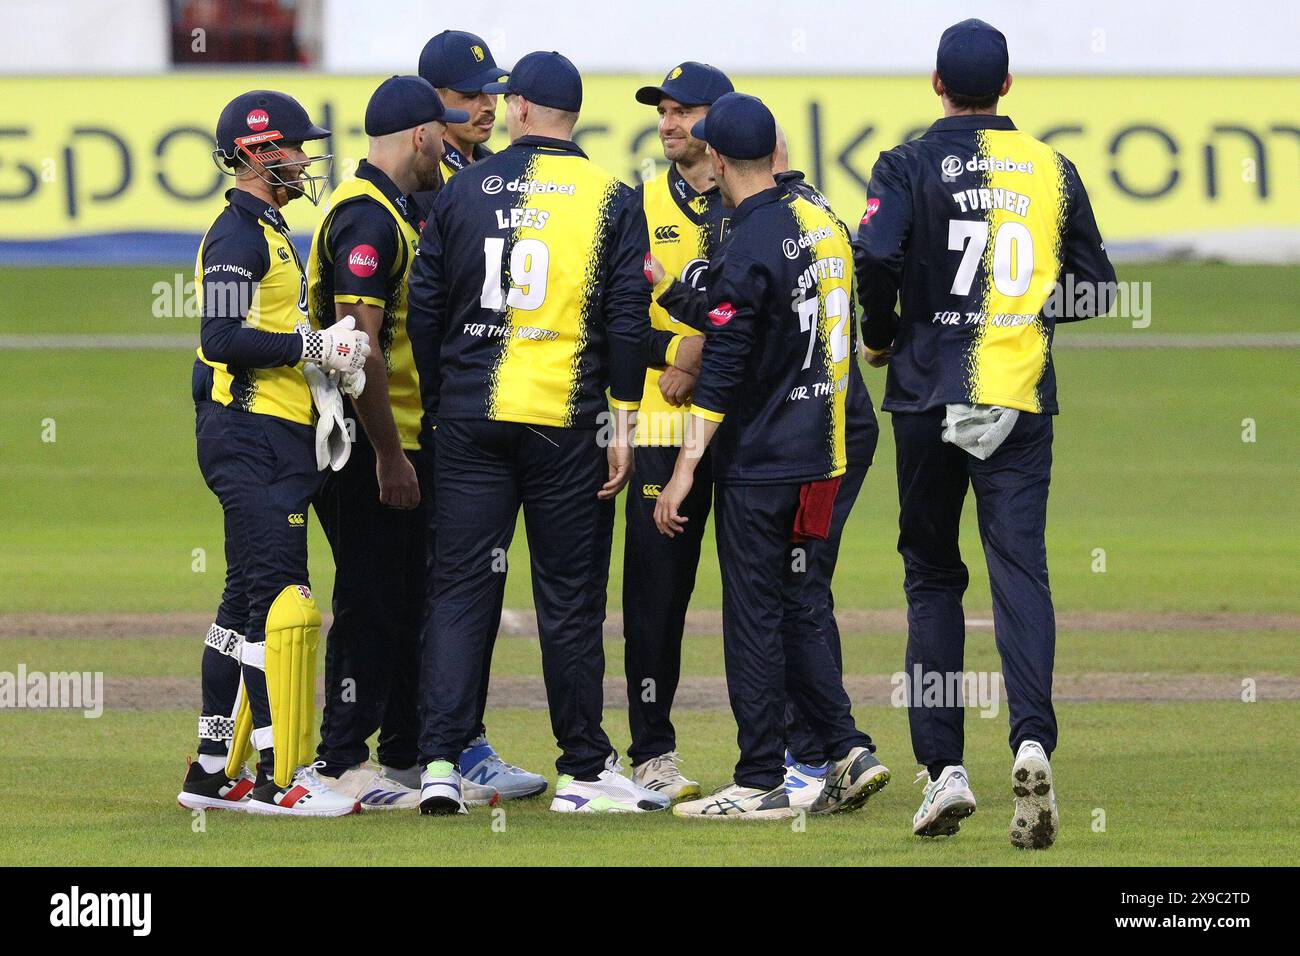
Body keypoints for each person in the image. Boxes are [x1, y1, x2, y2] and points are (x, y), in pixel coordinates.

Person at [855, 19, 1116, 848]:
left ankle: (944, 772)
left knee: (933, 577)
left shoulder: (904, 162)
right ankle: (1032, 740)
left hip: (926, 396)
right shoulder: (1052, 168)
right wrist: (1028, 317)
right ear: (1008, 87)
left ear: (936, 83)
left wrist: (882, 327)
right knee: (1020, 573)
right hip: (1019, 400)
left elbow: (875, 256)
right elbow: (1097, 290)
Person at [406, 51, 668, 815]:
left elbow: (425, 309)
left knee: (459, 588)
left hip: (469, 420)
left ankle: (440, 763)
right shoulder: (613, 197)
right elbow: (626, 319)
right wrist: (623, 423)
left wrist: (442, 392)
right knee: (570, 598)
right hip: (566, 423)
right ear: (572, 116)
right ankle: (584, 772)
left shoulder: (462, 192)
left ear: (519, 108)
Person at [654, 93, 889, 820]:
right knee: (799, 602)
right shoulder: (820, 218)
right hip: (827, 452)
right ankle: (846, 749)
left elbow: (724, 363)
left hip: (763, 463)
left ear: (717, 160)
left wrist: (688, 467)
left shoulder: (749, 240)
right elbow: (755, 312)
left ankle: (760, 779)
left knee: (754, 614)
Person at [178, 90, 371, 817]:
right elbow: (222, 341)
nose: (303, 159)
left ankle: (207, 771)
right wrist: (314, 346)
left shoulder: (266, 227)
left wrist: (320, 371)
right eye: (292, 147)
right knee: (280, 606)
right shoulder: (236, 236)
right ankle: (278, 779)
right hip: (250, 436)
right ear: (258, 152)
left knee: (241, 606)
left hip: (268, 435)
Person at [305, 76, 481, 810]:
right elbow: (358, 350)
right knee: (373, 602)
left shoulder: (393, 211)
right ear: (419, 136)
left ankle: (403, 759)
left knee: (407, 602)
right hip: (365, 449)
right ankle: (342, 760)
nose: (449, 143)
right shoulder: (368, 219)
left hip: (400, 441)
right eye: (441, 132)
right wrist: (388, 454)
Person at [411, 31, 546, 800]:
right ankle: (435, 746)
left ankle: (446, 743)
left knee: (456, 585)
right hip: (451, 414)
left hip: (463, 411)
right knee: (446, 587)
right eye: (470, 97)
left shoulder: (476, 175)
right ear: (432, 102)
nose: (487, 107)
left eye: (494, 93)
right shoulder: (440, 184)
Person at [619, 61, 733, 803]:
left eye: (684, 111)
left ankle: (791, 749)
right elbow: (620, 321)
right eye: (663, 110)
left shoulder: (754, 200)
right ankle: (651, 755)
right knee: (656, 598)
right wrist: (676, 355)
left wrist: (699, 355)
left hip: (743, 426)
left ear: (718, 120)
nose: (668, 123)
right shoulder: (635, 205)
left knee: (765, 592)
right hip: (663, 424)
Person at [417, 30, 509, 183]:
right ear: (434, 98)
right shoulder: (422, 178)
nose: (489, 105)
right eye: (471, 95)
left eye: (491, 89)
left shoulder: (490, 162)